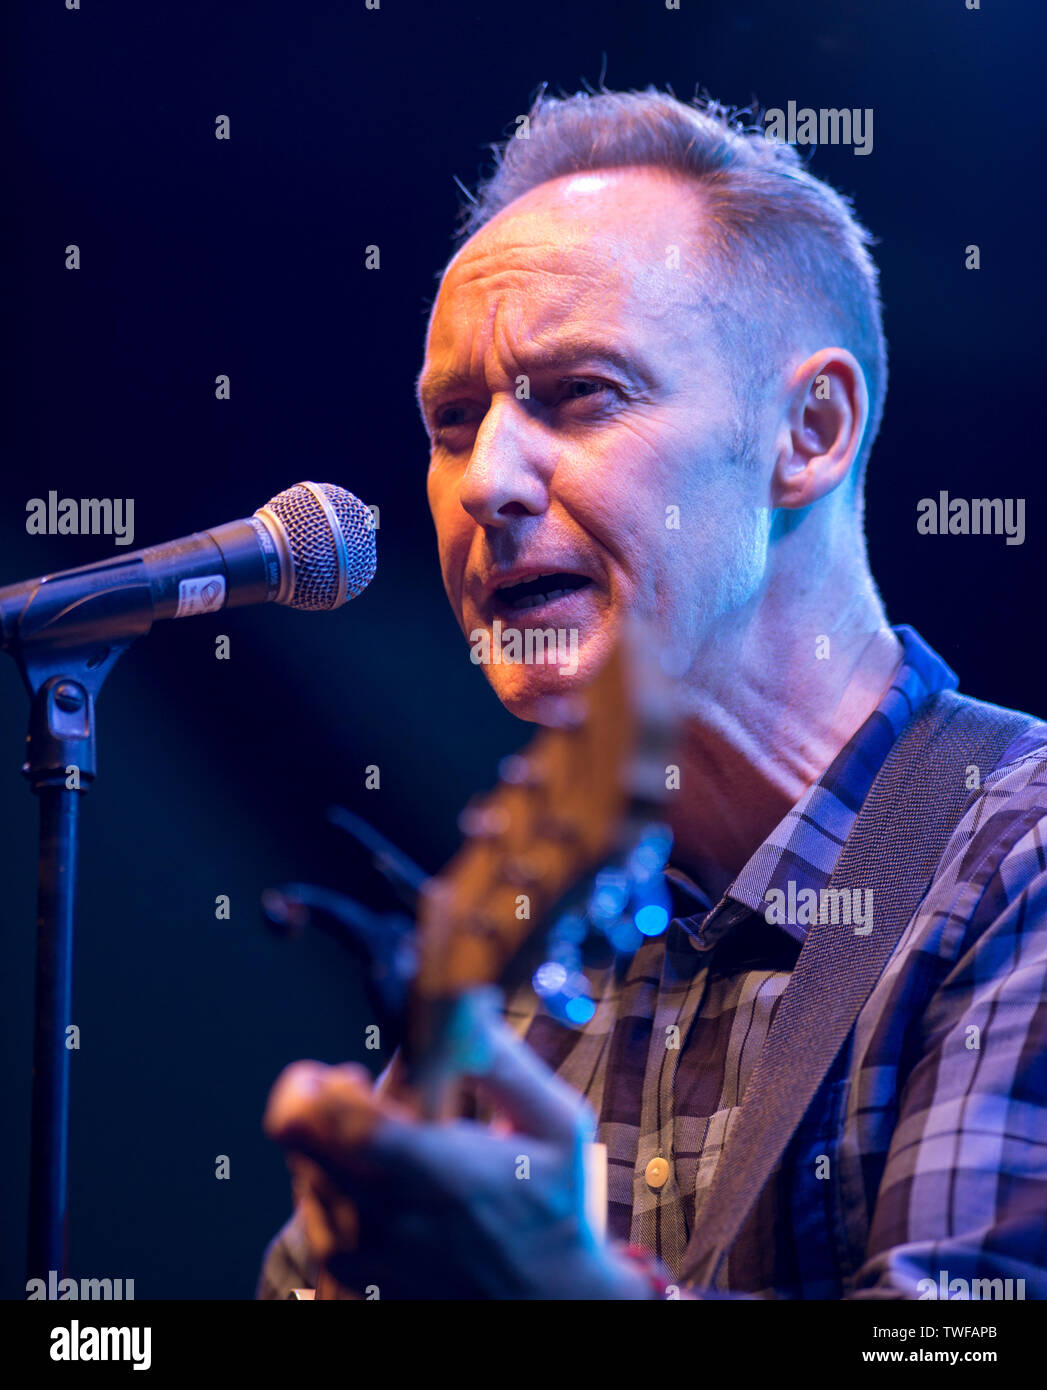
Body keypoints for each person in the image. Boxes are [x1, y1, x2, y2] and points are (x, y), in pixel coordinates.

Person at [257, 88, 1047, 1300]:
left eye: (580, 394)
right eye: (452, 421)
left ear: (813, 429)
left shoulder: (1017, 861)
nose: (485, 483)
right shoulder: (527, 966)